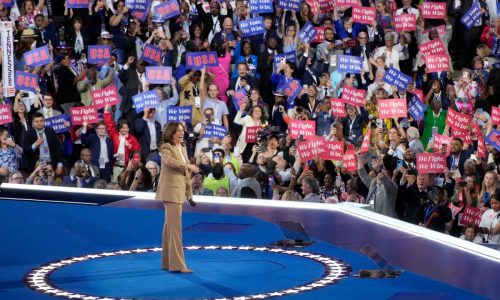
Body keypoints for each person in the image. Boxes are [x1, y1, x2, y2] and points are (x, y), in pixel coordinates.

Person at [155, 122, 199, 273]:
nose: (182, 133)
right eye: (178, 131)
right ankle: (178, 265)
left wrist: (190, 194)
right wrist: (188, 166)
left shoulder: (183, 147)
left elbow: (185, 174)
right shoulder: (166, 147)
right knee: (175, 229)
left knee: (169, 228)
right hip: (171, 192)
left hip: (179, 191)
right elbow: (168, 162)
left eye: (182, 130)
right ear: (171, 133)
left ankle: (167, 262)